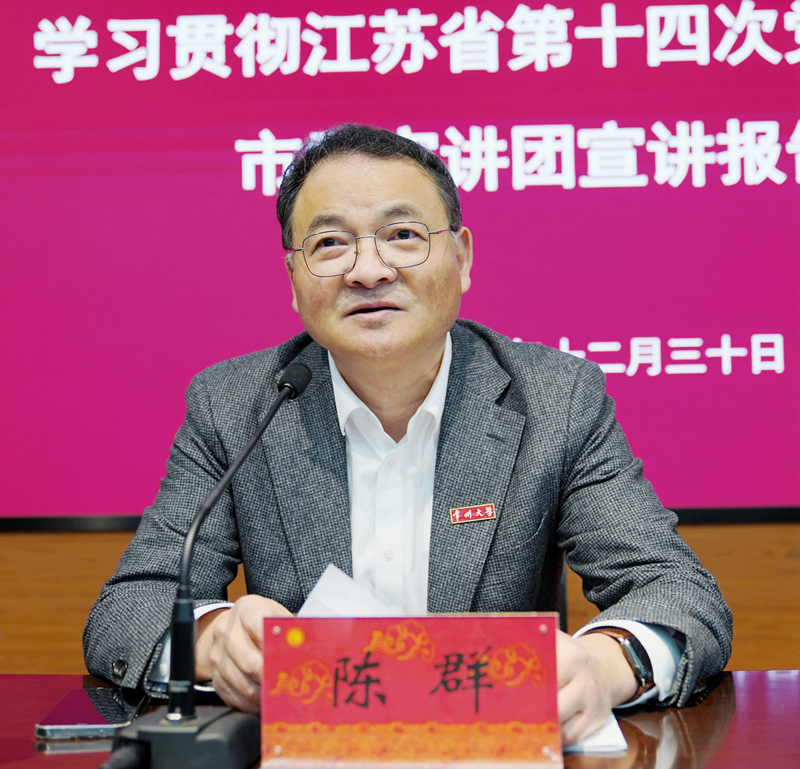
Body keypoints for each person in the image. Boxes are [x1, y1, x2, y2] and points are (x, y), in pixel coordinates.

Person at [84, 124, 732, 746]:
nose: (368, 271)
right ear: (294, 280)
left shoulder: (555, 399)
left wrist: (601, 666)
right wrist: (213, 640)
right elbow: (129, 608)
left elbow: (677, 592)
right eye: (330, 244)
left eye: (402, 235)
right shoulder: (234, 405)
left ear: (461, 257)